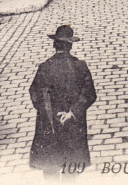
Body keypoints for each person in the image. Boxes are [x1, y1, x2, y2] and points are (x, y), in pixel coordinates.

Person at [29, 25, 96, 178]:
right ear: (70, 45)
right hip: (72, 125)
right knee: (70, 171)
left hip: (49, 127)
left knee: (50, 169)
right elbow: (89, 94)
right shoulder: (80, 66)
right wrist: (72, 112)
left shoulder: (44, 67)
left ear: (55, 45)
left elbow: (34, 93)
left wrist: (48, 114)